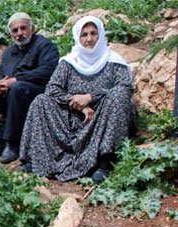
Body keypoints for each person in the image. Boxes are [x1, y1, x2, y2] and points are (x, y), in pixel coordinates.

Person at [19, 16, 137, 183]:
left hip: (106, 116)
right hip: (76, 117)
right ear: (77, 37)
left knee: (117, 96)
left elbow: (125, 88)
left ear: (101, 35)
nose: (89, 39)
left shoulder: (113, 61)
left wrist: (90, 97)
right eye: (84, 34)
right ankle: (38, 160)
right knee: (41, 101)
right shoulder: (69, 62)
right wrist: (80, 106)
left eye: (93, 33)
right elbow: (52, 89)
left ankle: (105, 161)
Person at [0, 12, 59, 164]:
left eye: (23, 28)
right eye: (15, 30)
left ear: (32, 29)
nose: (19, 33)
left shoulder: (44, 45)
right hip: (12, 97)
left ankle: (12, 142)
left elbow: (49, 71)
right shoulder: (9, 53)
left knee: (17, 88)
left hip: (35, 95)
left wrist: (15, 80)